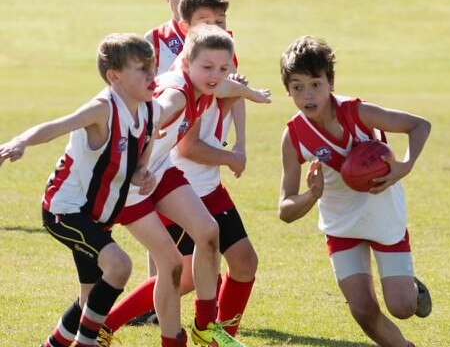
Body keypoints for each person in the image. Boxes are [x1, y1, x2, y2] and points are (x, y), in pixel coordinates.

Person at [97, 24, 270, 347]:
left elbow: (221, 88)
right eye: (207, 67)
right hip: (135, 179)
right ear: (186, 61)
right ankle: (102, 329)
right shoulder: (176, 94)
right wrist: (146, 146)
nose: (215, 75)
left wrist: (249, 93)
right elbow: (156, 113)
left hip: (162, 173)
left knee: (208, 234)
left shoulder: (204, 83)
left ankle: (205, 327)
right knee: (175, 268)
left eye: (223, 68)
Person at [0, 33, 161, 347]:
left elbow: (141, 159)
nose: (152, 75)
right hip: (65, 210)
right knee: (119, 266)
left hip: (97, 217)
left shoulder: (151, 110)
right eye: (142, 69)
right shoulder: (102, 108)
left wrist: (143, 174)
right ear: (114, 77)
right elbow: (56, 126)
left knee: (90, 297)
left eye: (152, 67)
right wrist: (20, 142)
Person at [278, 35, 432, 347]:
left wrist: (405, 165)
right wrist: (311, 195)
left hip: (382, 212)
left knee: (401, 307)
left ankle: (411, 290)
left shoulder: (357, 112)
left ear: (330, 82)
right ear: (288, 90)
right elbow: (285, 209)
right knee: (363, 310)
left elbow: (420, 125)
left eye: (315, 84)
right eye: (297, 87)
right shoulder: (294, 136)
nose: (307, 95)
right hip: (340, 222)